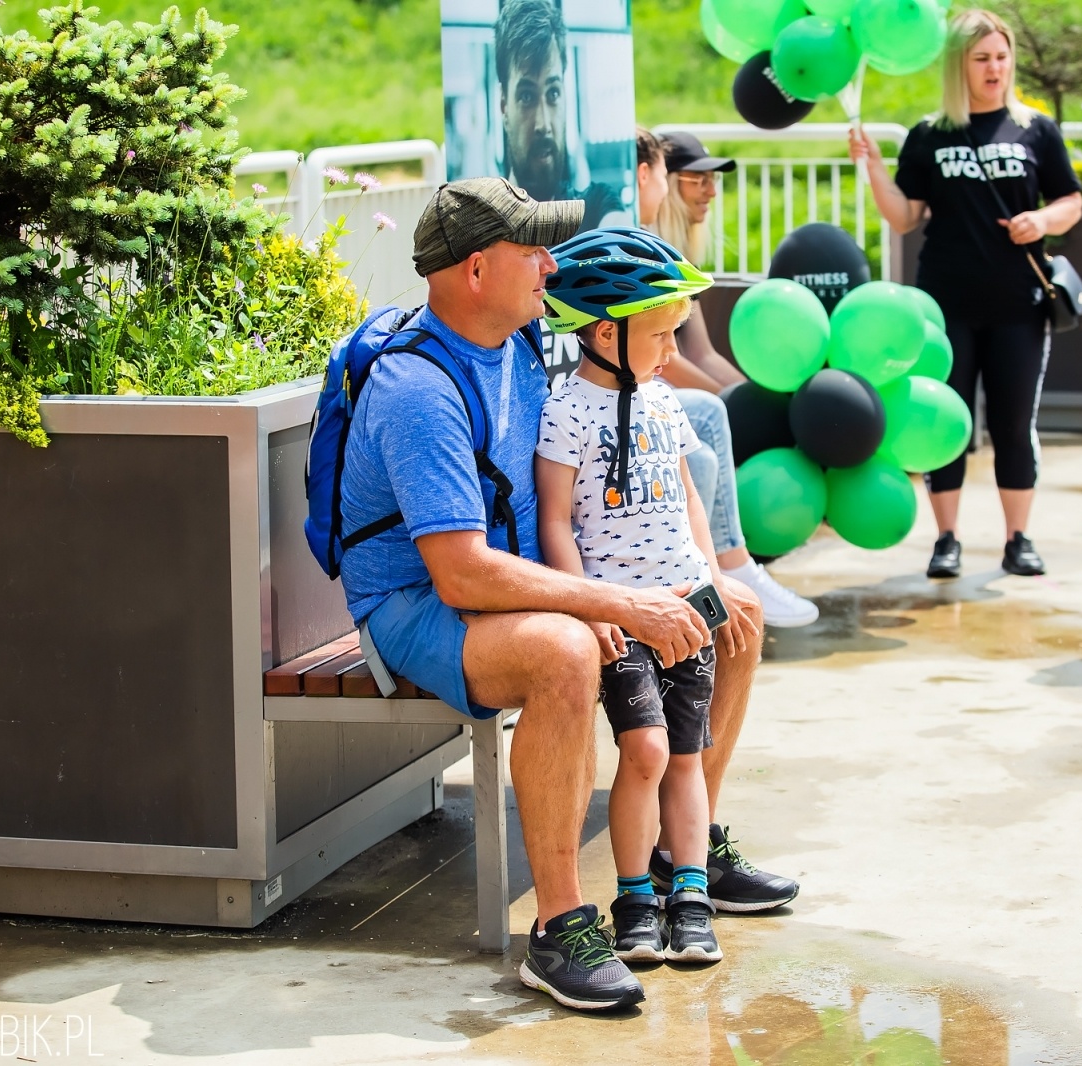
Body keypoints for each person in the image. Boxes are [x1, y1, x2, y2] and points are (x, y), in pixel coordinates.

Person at [338, 177, 796, 1012]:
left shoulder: (510, 344)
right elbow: (461, 574)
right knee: (563, 651)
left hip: (509, 584)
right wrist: (616, 604)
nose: (551, 263)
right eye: (532, 250)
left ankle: (678, 854)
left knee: (737, 611)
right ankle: (559, 928)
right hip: (415, 608)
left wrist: (685, 574)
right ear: (476, 271)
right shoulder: (419, 392)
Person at [536, 227, 730, 968]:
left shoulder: (661, 399)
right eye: (659, 335)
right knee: (643, 750)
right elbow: (556, 520)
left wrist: (713, 578)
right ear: (607, 331)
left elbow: (686, 494)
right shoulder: (566, 411)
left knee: (686, 752)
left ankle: (690, 898)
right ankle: (634, 899)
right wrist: (590, 606)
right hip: (621, 616)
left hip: (688, 605)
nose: (672, 352)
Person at [849, 9, 1082, 580]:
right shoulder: (931, 136)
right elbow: (904, 217)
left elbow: (1070, 201)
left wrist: (1041, 220)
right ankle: (947, 539)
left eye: (1001, 57)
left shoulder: (1035, 129)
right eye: (981, 59)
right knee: (943, 422)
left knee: (1013, 423)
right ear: (960, 65)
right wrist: (875, 168)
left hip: (1018, 308)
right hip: (945, 308)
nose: (994, 68)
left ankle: (1017, 539)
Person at [640, 127, 819, 627]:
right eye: (697, 180)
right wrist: (732, 399)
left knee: (736, 410)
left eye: (712, 181)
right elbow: (666, 359)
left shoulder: (677, 251)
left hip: (664, 391)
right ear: (662, 180)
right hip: (647, 393)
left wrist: (755, 395)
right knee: (719, 419)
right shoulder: (648, 246)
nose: (710, 192)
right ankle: (738, 569)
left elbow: (701, 351)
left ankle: (741, 569)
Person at [494, 0, 622, 230]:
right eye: (526, 97)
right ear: (504, 104)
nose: (543, 124)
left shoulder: (596, 207)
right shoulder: (485, 227)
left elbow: (619, 231)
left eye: (553, 93)